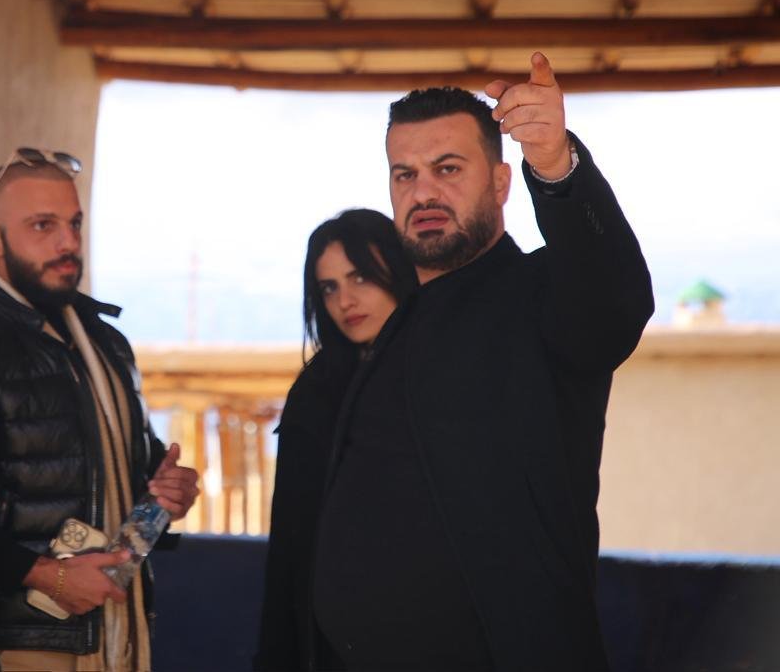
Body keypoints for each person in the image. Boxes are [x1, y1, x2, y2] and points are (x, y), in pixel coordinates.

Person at [311, 53, 654, 671]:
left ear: (499, 183)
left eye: (447, 169)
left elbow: (613, 304)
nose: (423, 192)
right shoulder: (396, 325)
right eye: (404, 175)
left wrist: (555, 165)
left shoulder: (539, 297)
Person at [0, 148, 201, 672]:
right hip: (24, 645)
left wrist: (170, 491)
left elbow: (137, 473)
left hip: (122, 633)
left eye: (74, 224)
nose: (68, 243)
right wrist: (48, 576)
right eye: (43, 226)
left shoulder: (107, 344)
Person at [254, 209, 417, 672]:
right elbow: (290, 547)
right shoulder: (314, 393)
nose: (346, 300)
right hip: (329, 639)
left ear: (396, 272)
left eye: (360, 277)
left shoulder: (440, 378)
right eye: (329, 287)